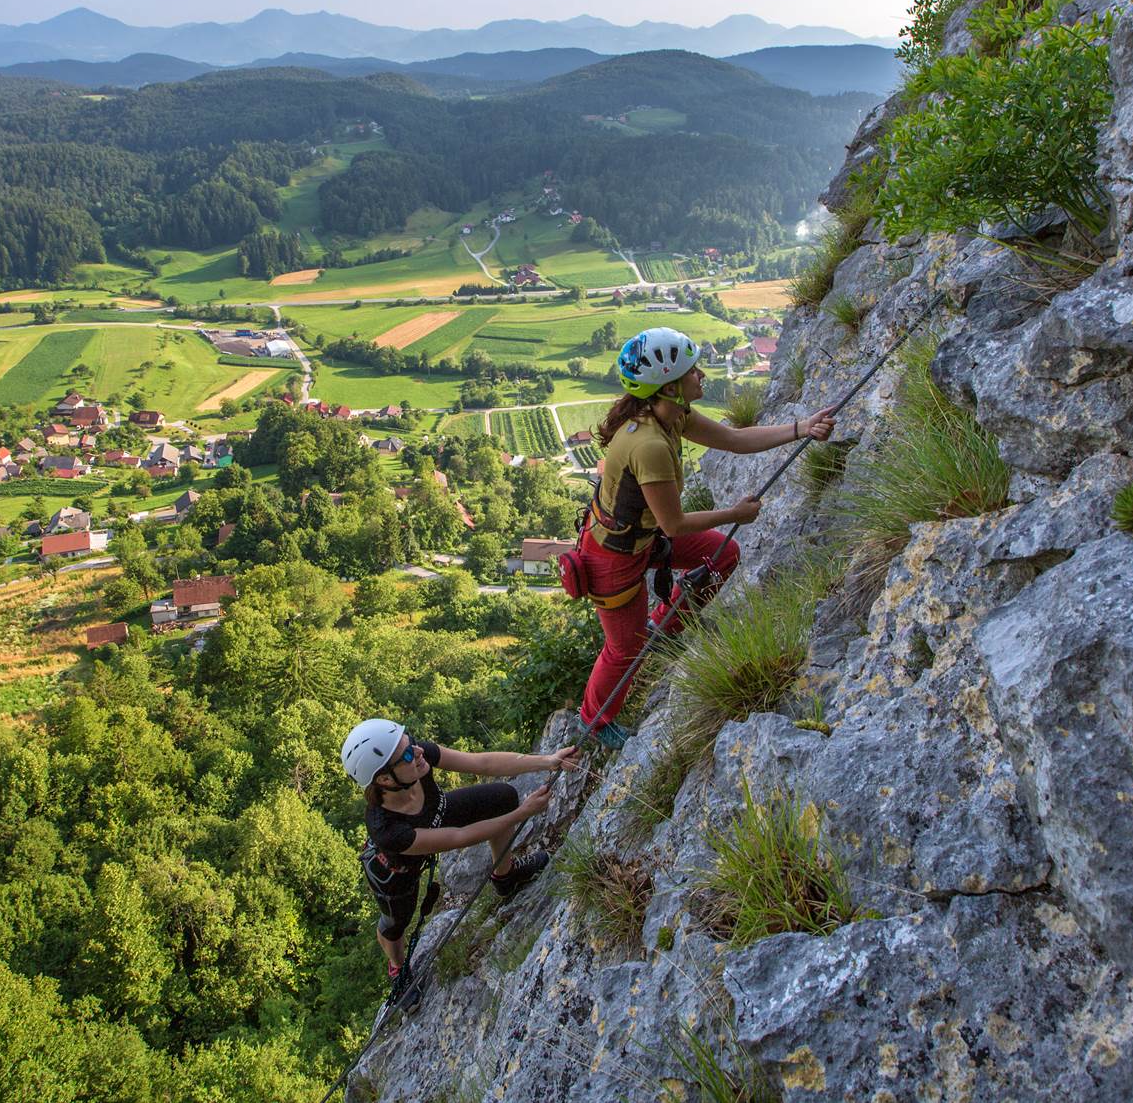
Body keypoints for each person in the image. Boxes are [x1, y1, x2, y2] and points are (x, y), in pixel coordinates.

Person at [575, 326, 834, 747]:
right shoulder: (649, 446)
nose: (701, 375)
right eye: (691, 371)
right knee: (623, 648)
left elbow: (733, 440)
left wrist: (801, 428)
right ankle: (595, 721)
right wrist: (735, 513)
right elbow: (673, 525)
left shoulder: (672, 417)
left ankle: (666, 626)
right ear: (670, 386)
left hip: (639, 540)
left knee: (723, 553)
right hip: (613, 556)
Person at [342, 718, 581, 1006]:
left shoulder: (418, 758)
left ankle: (505, 877)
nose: (417, 751)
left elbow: (482, 763)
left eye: (411, 740)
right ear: (384, 780)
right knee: (395, 923)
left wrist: (548, 761)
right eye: (406, 755)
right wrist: (522, 814)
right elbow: (459, 837)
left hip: (437, 814)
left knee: (503, 798)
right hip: (398, 868)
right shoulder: (387, 829)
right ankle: (397, 967)